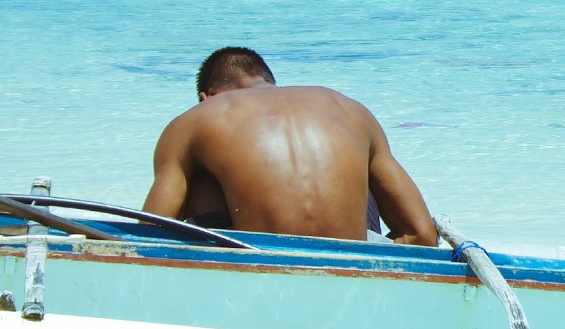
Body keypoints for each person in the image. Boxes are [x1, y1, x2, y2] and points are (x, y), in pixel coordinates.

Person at [143, 47, 438, 245]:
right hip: (352, 267)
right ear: (269, 82)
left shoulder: (198, 118)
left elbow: (150, 235)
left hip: (259, 269)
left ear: (207, 97)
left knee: (196, 174)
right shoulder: (348, 109)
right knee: (362, 174)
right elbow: (421, 233)